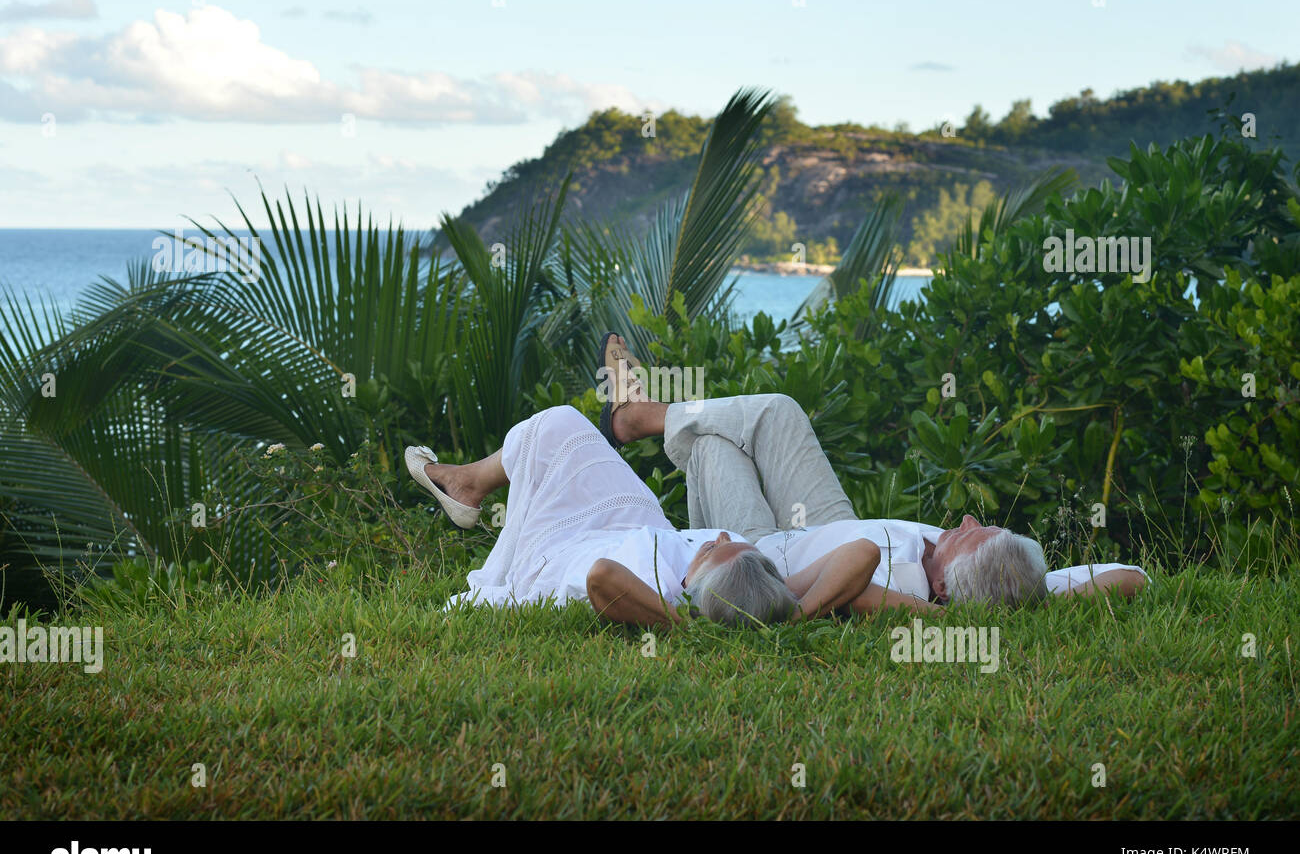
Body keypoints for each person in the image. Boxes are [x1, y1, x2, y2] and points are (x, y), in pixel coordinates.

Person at [595, 334, 1148, 607]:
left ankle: (635, 417)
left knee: (713, 445)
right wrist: (1045, 592)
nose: (965, 519)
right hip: (835, 524)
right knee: (780, 411)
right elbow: (1134, 578)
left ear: (942, 586)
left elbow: (854, 593)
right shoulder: (1007, 577)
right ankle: (640, 417)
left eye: (968, 535)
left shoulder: (900, 586)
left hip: (775, 551)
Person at [404, 404, 907, 629]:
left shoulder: (666, 597)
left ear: (693, 589)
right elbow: (860, 553)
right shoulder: (758, 593)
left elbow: (601, 577)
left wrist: (677, 625)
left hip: (575, 546)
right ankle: (471, 481)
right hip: (644, 528)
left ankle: (468, 483)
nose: (725, 534)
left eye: (716, 547)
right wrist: (795, 607)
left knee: (557, 425)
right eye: (735, 543)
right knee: (571, 430)